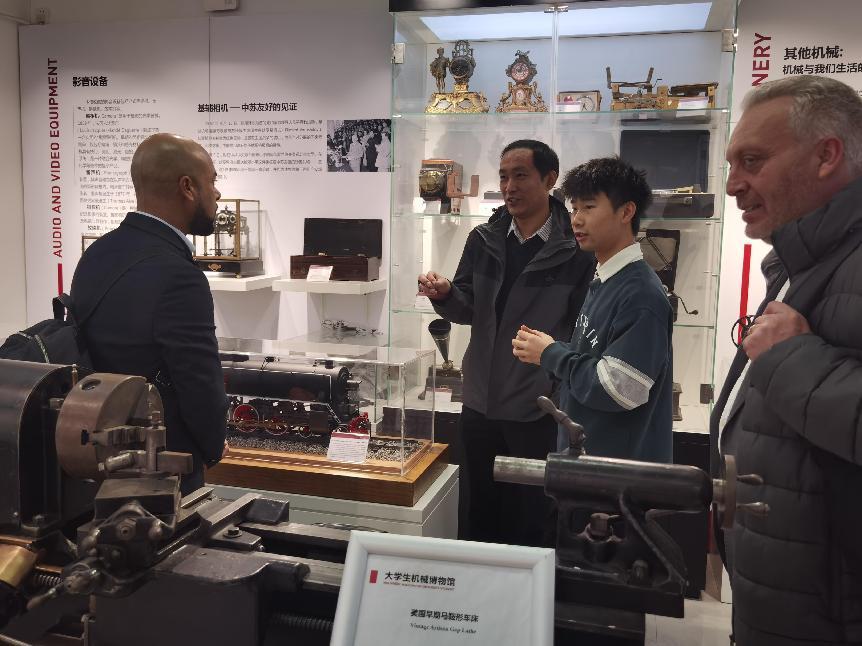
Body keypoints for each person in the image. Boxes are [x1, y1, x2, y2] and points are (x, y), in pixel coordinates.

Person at [712, 75, 862, 646]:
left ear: (827, 156)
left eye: (752, 161)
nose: (733, 185)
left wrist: (793, 360)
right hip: (786, 603)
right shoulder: (804, 259)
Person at [417, 139, 595, 546]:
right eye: (503, 177)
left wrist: (555, 383)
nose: (509, 187)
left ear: (549, 180)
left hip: (536, 407)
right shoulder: (483, 238)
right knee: (477, 515)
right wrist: (446, 293)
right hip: (478, 402)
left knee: (530, 520)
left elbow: (579, 331)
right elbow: (468, 308)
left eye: (520, 176)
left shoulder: (576, 250)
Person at [71, 133, 228, 495]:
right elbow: (198, 381)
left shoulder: (97, 253)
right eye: (212, 181)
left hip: (99, 457)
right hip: (162, 467)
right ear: (188, 187)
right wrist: (212, 446)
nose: (217, 193)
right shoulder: (179, 275)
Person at [512, 157, 673, 463]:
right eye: (574, 208)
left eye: (588, 207)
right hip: (589, 463)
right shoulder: (606, 278)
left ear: (626, 212)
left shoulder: (641, 294)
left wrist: (551, 354)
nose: (576, 219)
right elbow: (595, 358)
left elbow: (618, 389)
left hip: (617, 474)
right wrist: (550, 349)